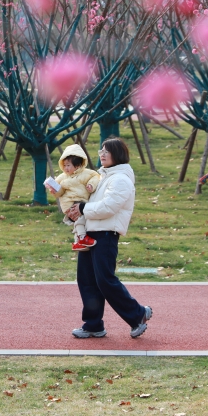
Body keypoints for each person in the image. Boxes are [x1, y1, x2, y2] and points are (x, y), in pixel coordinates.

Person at [67, 137, 152, 339]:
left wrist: (83, 209)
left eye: (107, 151)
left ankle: (138, 314)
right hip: (90, 233)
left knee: (105, 280)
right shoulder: (102, 177)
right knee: (87, 280)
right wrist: (75, 212)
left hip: (106, 234)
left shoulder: (121, 179)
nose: (102, 154)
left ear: (118, 154)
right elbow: (89, 206)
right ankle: (93, 324)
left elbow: (109, 207)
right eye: (101, 150)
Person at [45, 144, 100, 251]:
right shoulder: (62, 177)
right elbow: (60, 191)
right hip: (69, 202)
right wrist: (54, 190)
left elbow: (95, 177)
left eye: (68, 165)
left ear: (78, 165)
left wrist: (91, 185)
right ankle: (82, 237)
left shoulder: (86, 173)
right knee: (80, 217)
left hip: (81, 200)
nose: (65, 168)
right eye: (64, 165)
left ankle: (77, 242)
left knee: (80, 219)